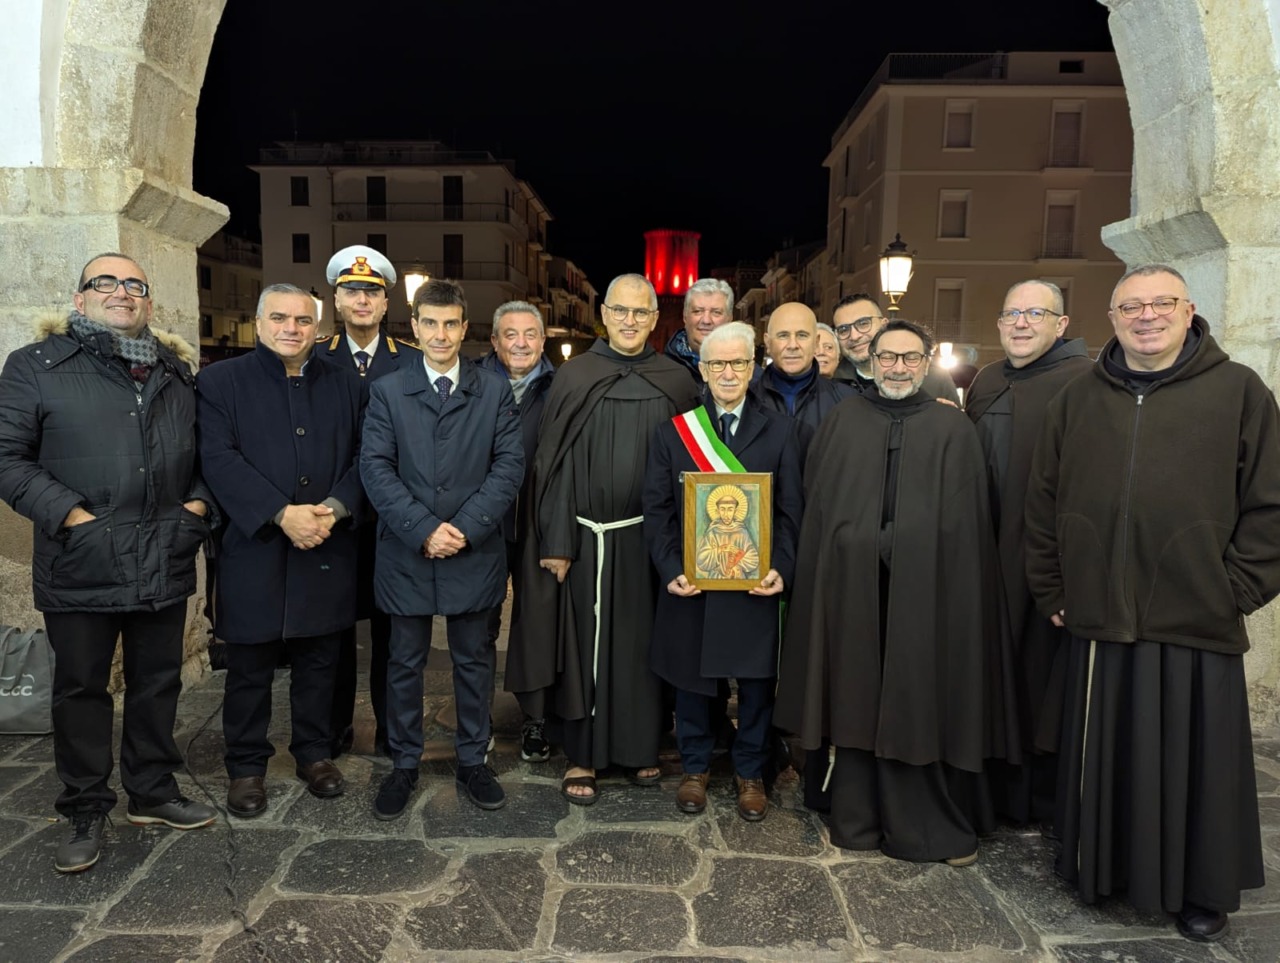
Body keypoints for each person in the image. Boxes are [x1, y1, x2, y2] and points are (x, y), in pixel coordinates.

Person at [1024, 264, 1280, 942]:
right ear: (1112, 318)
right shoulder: (1078, 398)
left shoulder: (1240, 391)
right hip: (1099, 616)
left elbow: (1271, 505)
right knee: (1108, 759)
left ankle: (1199, 889)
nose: (1147, 316)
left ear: (1188, 310)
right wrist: (1053, 587)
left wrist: (1236, 590)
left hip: (1196, 619)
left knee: (1196, 771)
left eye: (1161, 303)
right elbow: (1042, 502)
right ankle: (1102, 870)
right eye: (1131, 306)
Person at [0, 253, 218, 872]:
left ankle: (152, 790)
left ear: (148, 301)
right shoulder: (36, 366)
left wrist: (198, 508)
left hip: (163, 554)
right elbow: (7, 456)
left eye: (134, 284)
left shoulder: (174, 370)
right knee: (81, 689)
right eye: (106, 282)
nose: (121, 292)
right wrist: (71, 516)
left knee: (158, 681)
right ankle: (85, 806)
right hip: (82, 559)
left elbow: (206, 452)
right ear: (80, 299)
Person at [775, 319, 1000, 865]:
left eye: (910, 357)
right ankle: (856, 813)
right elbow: (822, 507)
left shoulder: (953, 430)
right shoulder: (843, 421)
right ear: (871, 362)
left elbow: (966, 524)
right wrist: (859, 542)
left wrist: (906, 542)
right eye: (888, 357)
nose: (898, 368)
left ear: (926, 363)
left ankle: (920, 821)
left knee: (916, 696)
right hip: (852, 589)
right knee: (853, 690)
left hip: (926, 596)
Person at [508, 273, 701, 805]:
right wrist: (556, 540)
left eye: (640, 312)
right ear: (604, 315)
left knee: (643, 646)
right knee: (583, 649)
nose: (630, 321)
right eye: (620, 311)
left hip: (649, 541)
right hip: (584, 540)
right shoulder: (575, 376)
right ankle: (583, 755)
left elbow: (695, 468)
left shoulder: (677, 380)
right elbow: (552, 464)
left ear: (654, 317)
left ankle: (640, 748)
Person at [198, 283, 366, 819]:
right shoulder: (220, 382)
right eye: (279, 318)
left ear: (318, 327)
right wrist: (280, 513)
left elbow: (367, 456)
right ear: (259, 321)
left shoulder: (346, 383)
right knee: (250, 666)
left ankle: (314, 753)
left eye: (302, 320)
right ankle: (246, 765)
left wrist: (334, 509)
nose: (291, 329)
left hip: (326, 542)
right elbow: (217, 458)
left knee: (320, 660)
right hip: (256, 543)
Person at [360, 279, 523, 819]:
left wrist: (466, 527)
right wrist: (424, 528)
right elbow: (375, 467)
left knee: (474, 661)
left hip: (473, 550)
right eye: (429, 323)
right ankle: (404, 763)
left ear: (464, 327)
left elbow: (509, 467)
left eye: (450, 323)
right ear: (414, 326)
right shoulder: (387, 390)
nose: (440, 334)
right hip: (406, 550)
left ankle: (473, 760)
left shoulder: (493, 391)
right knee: (403, 662)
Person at [644, 322, 802, 821]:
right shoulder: (674, 432)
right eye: (717, 363)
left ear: (752, 368)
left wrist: (781, 568)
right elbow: (658, 510)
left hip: (755, 584)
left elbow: (791, 512)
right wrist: (671, 568)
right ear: (703, 369)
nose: (728, 372)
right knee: (691, 681)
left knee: (756, 685)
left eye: (737, 362)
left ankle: (750, 771)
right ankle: (695, 767)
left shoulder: (781, 430)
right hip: (695, 583)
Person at [964, 279, 1091, 827]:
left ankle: (1036, 797)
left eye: (1034, 314)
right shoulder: (988, 379)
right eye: (1011, 314)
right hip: (982, 554)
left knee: (1037, 678)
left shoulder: (1085, 383)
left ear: (1061, 324)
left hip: (1040, 561)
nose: (1020, 323)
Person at [316, 244, 421, 759]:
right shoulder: (315, 356)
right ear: (336, 300)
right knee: (331, 634)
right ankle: (333, 729)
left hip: (391, 522)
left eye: (372, 292)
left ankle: (391, 731)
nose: (362, 299)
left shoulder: (413, 361)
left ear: (385, 303)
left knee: (394, 634)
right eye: (352, 290)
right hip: (332, 519)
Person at [478, 300, 556, 763]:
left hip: (539, 526)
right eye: (511, 334)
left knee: (536, 626)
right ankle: (477, 723)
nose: (521, 343)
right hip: (483, 525)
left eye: (530, 334)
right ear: (494, 341)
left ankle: (536, 721)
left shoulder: (560, 388)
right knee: (478, 627)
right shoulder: (471, 383)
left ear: (543, 341)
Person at [750, 302, 853, 449]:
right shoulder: (746, 399)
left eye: (802, 335)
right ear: (768, 342)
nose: (793, 345)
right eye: (783, 335)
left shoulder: (846, 401)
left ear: (816, 342)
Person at [832, 293, 960, 404]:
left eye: (863, 324)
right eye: (843, 330)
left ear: (884, 324)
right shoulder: (830, 383)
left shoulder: (936, 380)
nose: (854, 336)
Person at [663, 278, 735, 380]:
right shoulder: (661, 372)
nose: (706, 320)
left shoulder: (750, 378)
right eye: (697, 311)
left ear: (729, 319)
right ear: (685, 316)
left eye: (716, 312)